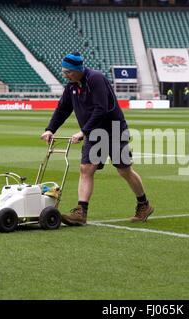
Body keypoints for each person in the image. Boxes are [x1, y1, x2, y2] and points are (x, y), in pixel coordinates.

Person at [40, 52, 154, 226]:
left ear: (78, 70)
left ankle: (144, 204)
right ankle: (81, 212)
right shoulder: (71, 86)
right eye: (64, 71)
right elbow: (62, 109)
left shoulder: (96, 79)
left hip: (113, 129)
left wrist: (83, 132)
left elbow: (101, 108)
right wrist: (50, 129)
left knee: (124, 170)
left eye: (68, 71)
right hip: (94, 132)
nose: (65, 74)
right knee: (86, 168)